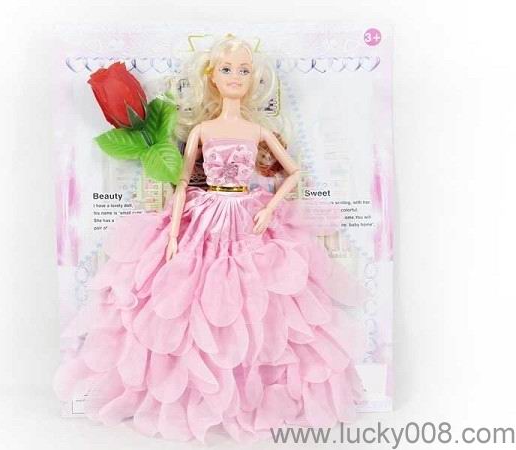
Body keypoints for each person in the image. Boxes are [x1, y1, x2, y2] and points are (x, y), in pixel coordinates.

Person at [53, 34, 367, 443]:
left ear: (253, 79)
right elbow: (183, 182)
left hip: (247, 212)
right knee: (194, 290)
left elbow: (293, 172)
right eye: (227, 69)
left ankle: (251, 378)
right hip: (206, 213)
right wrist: (172, 234)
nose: (235, 76)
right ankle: (194, 377)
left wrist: (270, 209)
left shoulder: (257, 130)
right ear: (212, 76)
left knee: (257, 292)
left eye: (244, 70)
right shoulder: (202, 129)